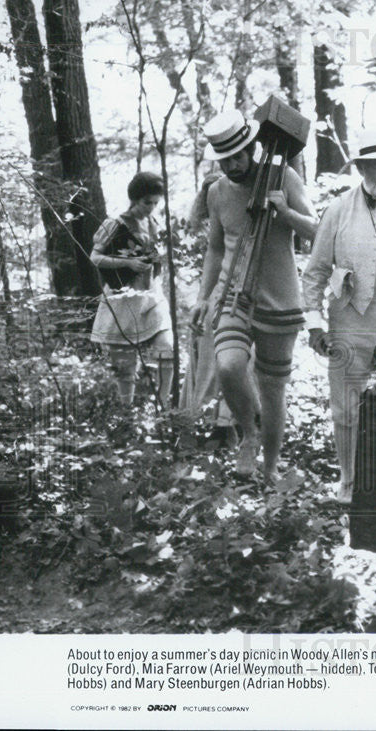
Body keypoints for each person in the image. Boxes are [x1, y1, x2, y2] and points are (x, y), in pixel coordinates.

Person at [190, 110, 318, 483]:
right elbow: (215, 248)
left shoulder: (285, 177)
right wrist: (203, 296)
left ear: (252, 148)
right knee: (229, 366)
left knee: (273, 388)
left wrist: (284, 210)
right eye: (224, 159)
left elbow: (316, 230)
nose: (231, 165)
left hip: (279, 299)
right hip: (233, 294)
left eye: (237, 156)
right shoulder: (216, 192)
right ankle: (248, 433)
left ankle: (270, 466)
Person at [301, 129, 376, 503]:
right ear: (363, 168)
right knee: (347, 407)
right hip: (350, 318)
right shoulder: (338, 211)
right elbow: (316, 272)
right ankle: (350, 483)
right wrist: (315, 324)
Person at [181, 173, 260, 446]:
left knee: (229, 362)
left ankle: (229, 424)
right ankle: (213, 424)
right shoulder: (205, 224)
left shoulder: (236, 216)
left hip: (231, 293)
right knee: (210, 365)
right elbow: (212, 257)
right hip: (216, 294)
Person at [90, 171, 173, 406]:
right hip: (123, 298)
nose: (151, 208)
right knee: (125, 365)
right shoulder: (115, 224)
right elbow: (95, 257)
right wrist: (127, 263)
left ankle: (164, 406)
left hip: (151, 297)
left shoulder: (154, 223)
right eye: (147, 202)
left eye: (156, 203)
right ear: (135, 198)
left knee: (167, 350)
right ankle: (127, 413)